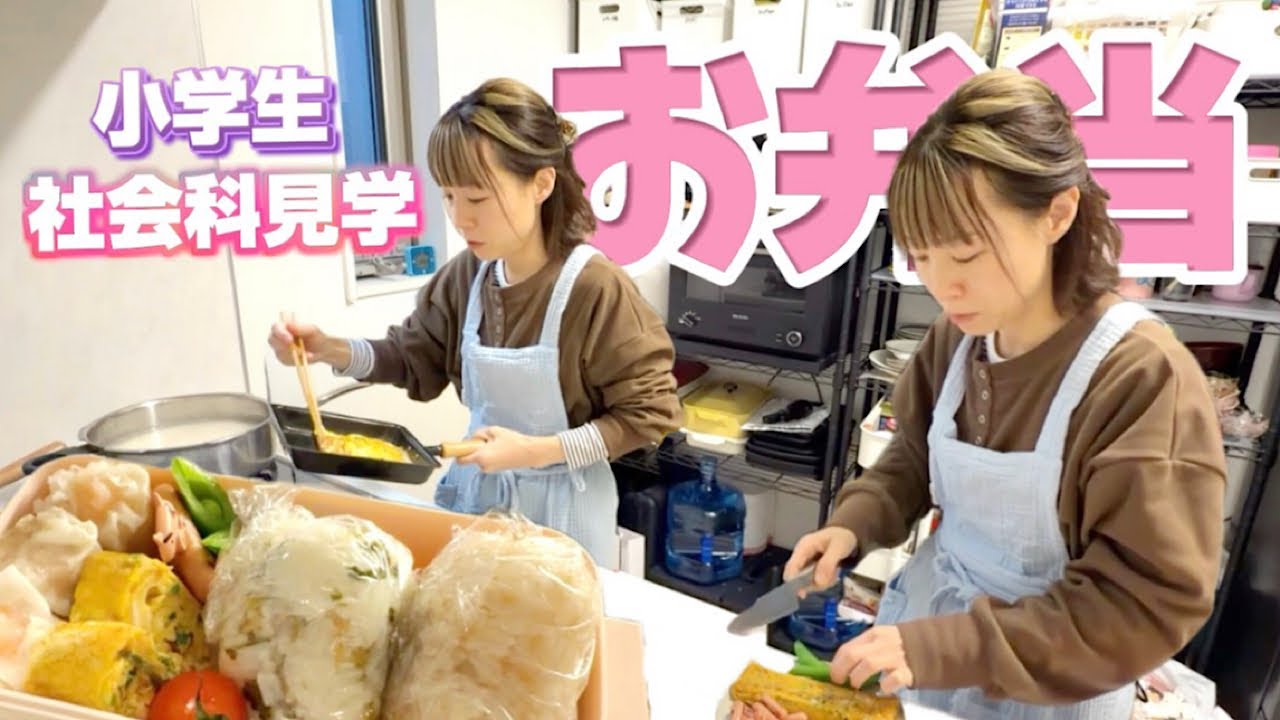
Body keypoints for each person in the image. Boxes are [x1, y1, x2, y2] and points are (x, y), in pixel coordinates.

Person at [782, 68, 1226, 719]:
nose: (943, 287)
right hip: (933, 634)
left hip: (1054, 679)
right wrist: (855, 523)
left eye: (965, 256)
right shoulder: (956, 339)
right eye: (922, 259)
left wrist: (952, 646)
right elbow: (912, 458)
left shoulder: (1139, 377)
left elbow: (1145, 601)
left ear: (1058, 213)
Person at [268, 77, 683, 569]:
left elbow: (649, 413)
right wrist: (330, 348)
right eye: (448, 197)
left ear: (542, 184)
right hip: (478, 503)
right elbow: (412, 354)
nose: (460, 219)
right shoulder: (468, 274)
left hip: (563, 517)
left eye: (478, 199)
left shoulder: (595, 288)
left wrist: (534, 450)